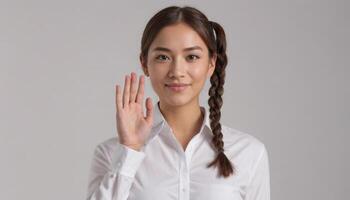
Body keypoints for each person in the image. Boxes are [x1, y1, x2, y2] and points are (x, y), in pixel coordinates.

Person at [86, 5, 270, 200]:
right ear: (144, 63)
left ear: (211, 63)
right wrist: (130, 150)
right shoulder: (111, 154)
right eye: (163, 57)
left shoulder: (249, 152)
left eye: (192, 57)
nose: (177, 71)